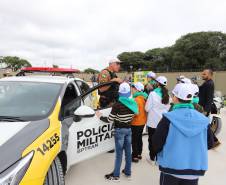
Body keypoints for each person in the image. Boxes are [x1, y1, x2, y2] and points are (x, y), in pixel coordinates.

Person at [151, 83, 214, 185]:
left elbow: (156, 143)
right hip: (194, 169)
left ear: (175, 98)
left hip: (171, 168)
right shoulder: (203, 120)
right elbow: (210, 144)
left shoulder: (168, 118)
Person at [96, 82, 138, 182]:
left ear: (120, 93)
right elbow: (133, 116)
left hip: (119, 131)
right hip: (128, 130)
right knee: (128, 152)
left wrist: (100, 116)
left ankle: (116, 176)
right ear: (128, 92)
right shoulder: (133, 103)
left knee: (119, 154)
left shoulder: (117, 105)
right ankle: (128, 173)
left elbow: (110, 120)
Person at [145, 76, 170, 164]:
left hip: (152, 122)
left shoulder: (152, 94)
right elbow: (168, 108)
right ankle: (159, 159)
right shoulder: (168, 95)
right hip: (163, 122)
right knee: (161, 140)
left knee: (151, 139)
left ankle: (152, 158)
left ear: (158, 83)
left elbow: (147, 108)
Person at [198, 69, 221, 147]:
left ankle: (214, 141)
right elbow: (200, 89)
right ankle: (213, 140)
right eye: (202, 74)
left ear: (210, 75)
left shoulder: (209, 84)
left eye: (204, 74)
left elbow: (209, 98)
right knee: (204, 125)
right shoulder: (207, 83)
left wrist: (206, 110)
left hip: (204, 108)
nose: (202, 75)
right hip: (203, 107)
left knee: (204, 125)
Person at [131, 82, 148, 163]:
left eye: (133, 88)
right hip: (142, 122)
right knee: (139, 138)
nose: (132, 90)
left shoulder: (136, 100)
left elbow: (135, 113)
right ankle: (139, 154)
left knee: (134, 139)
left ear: (137, 89)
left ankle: (135, 156)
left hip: (136, 122)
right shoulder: (144, 98)